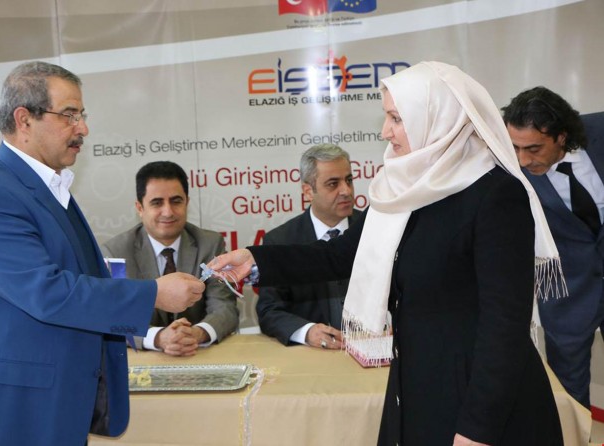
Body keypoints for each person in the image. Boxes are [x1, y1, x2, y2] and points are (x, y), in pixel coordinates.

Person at [209, 61, 565, 445]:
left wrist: (478, 429)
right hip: (417, 385)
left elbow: (504, 325)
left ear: (436, 118)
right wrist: (257, 260)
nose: (385, 131)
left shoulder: (496, 194)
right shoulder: (401, 186)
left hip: (479, 402)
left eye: (396, 118)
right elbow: (341, 254)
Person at [0, 61, 204, 446]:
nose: (83, 128)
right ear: (24, 120)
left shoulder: (45, 188)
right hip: (3, 412)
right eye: (69, 115)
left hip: (47, 404)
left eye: (82, 115)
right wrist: (154, 294)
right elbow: (49, 292)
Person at [502, 86, 604, 410]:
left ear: (561, 136)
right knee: (570, 397)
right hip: (567, 293)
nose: (522, 159)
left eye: (533, 148)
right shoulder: (509, 170)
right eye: (515, 147)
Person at [102, 161, 238, 356]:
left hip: (198, 354)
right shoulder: (115, 252)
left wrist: (197, 333)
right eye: (157, 203)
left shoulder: (210, 244)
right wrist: (159, 337)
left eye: (176, 201)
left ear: (187, 203)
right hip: (142, 360)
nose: (168, 212)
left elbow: (224, 307)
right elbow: (114, 316)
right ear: (139, 208)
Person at [256, 144, 361, 349]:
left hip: (373, 350)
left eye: (349, 180)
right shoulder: (281, 241)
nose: (346, 191)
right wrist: (307, 331)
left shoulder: (373, 229)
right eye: (333, 184)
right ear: (308, 191)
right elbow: (269, 310)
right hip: (313, 354)